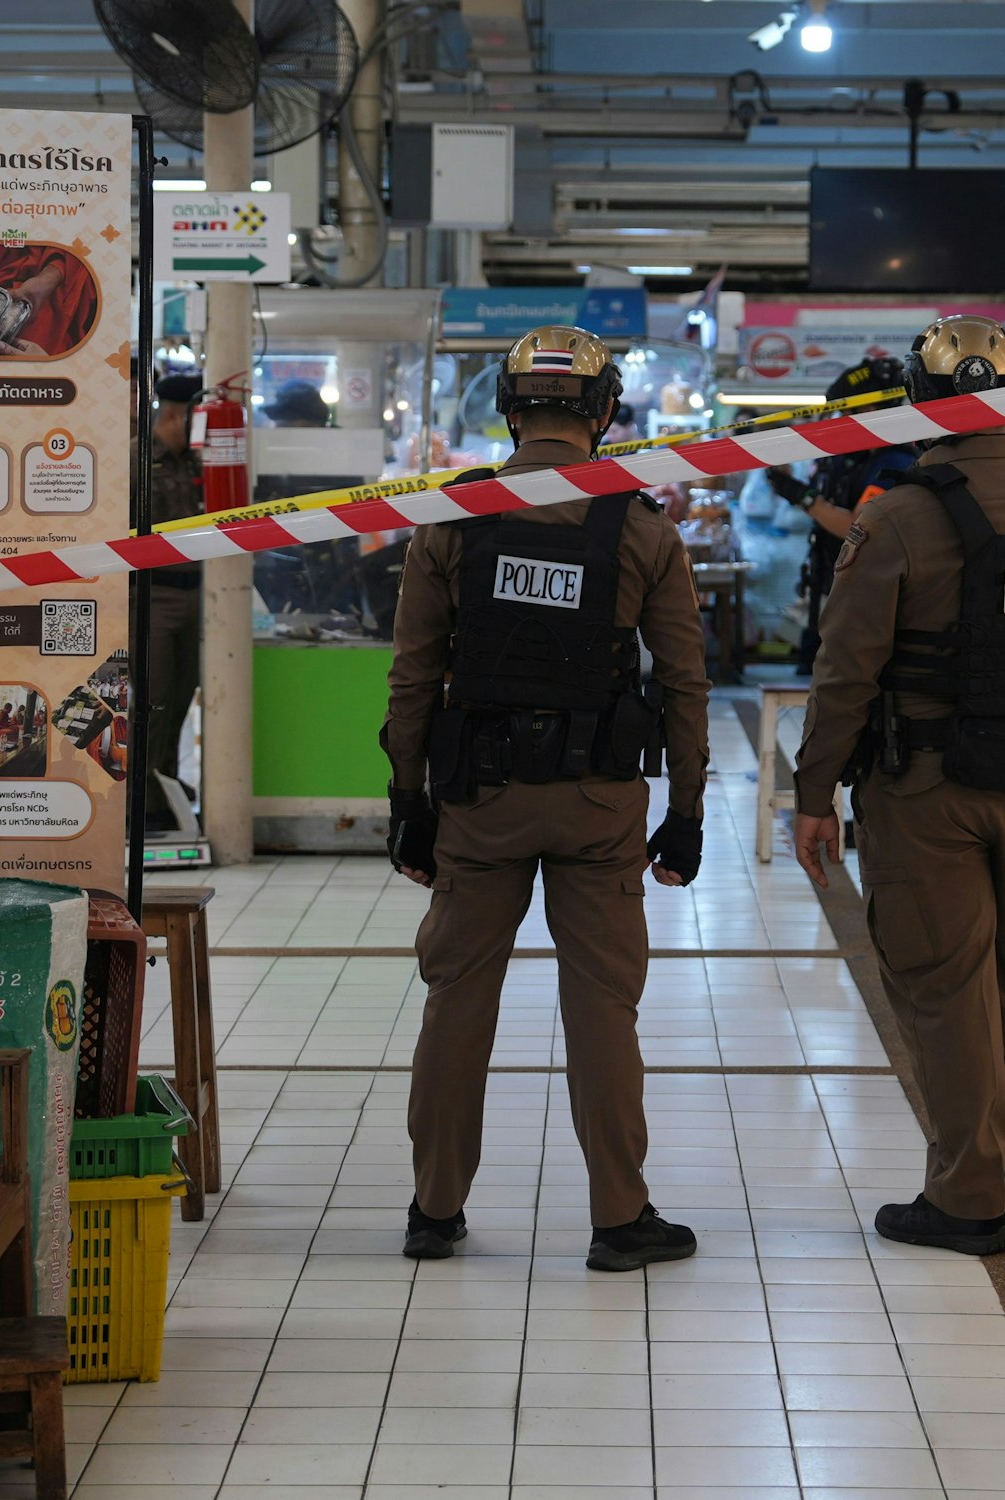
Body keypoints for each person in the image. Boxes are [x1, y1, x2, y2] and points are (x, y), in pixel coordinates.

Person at [384, 325, 711, 1272]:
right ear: (605, 414)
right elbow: (685, 682)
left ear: (509, 410)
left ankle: (435, 1210)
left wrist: (409, 798)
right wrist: (684, 811)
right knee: (604, 1007)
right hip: (598, 805)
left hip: (479, 800)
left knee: (457, 1002)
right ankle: (619, 1216)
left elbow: (413, 678)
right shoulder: (642, 528)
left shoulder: (453, 518)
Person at [791, 315, 1005, 1257]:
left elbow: (846, 669)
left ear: (921, 405)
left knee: (943, 981)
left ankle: (967, 1194)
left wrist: (815, 795)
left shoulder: (899, 514)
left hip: (923, 786)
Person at [767, 357, 919, 675]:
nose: (843, 419)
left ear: (871, 410)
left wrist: (803, 497)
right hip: (828, 590)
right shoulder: (853, 457)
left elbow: (857, 525)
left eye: (849, 411)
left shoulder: (894, 461)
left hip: (863, 603)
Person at [141, 372, 204, 832]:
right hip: (152, 593)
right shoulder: (136, 457)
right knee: (154, 698)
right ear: (176, 414)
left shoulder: (198, 462)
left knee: (183, 697)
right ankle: (141, 800)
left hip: (198, 594)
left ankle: (166, 787)